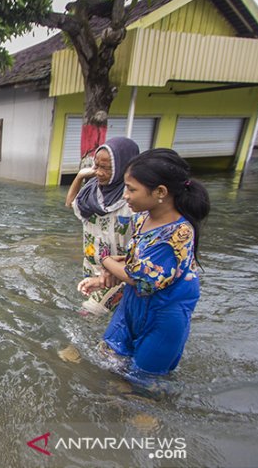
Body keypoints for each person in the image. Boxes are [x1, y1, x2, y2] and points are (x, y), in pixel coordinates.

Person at [79, 148, 210, 376]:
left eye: (131, 189)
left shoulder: (177, 235)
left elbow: (139, 277)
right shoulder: (143, 218)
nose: (126, 195)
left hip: (163, 318)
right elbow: (135, 260)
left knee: (143, 382)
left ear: (160, 192)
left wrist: (106, 260)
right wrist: (105, 278)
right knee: (107, 358)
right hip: (132, 307)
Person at [65, 137, 140, 315]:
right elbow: (70, 203)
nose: (98, 172)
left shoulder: (134, 198)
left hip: (120, 274)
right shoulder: (91, 191)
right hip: (93, 268)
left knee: (87, 314)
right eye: (96, 166)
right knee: (105, 316)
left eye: (106, 168)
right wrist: (81, 176)